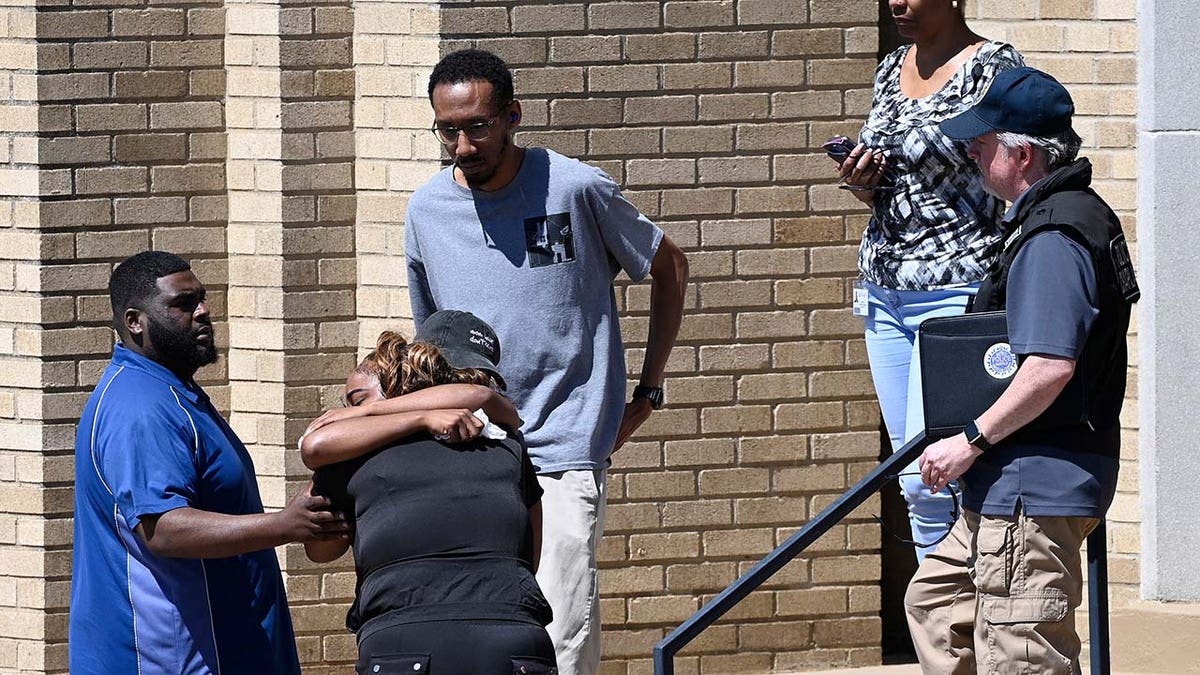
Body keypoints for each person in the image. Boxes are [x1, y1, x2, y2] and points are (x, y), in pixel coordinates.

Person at [399, 48, 689, 674]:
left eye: (477, 126)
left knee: (560, 624)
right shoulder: (426, 211)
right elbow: (433, 342)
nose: (463, 145)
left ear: (512, 117)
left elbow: (669, 267)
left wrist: (648, 391)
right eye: (447, 129)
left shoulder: (576, 187)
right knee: (500, 622)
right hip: (476, 445)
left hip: (565, 441)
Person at [906, 67, 1139, 672]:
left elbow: (1049, 368)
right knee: (937, 602)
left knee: (1022, 656)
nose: (972, 154)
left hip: (1032, 486)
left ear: (1024, 154)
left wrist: (970, 440)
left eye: (982, 144)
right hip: (1014, 482)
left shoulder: (1054, 236)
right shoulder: (1052, 220)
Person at [70, 251, 350, 674]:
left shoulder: (169, 393)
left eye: (201, 299)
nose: (202, 312)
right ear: (134, 321)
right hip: (170, 660)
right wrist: (284, 525)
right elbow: (162, 527)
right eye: (183, 305)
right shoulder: (140, 407)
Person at [835, 0, 1024, 557]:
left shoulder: (994, 66)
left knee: (937, 475)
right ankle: (939, 631)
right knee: (914, 482)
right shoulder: (893, 66)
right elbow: (901, 185)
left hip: (958, 292)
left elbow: (1018, 173)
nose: (898, 1)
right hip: (884, 292)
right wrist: (863, 182)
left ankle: (969, 620)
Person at [301, 311, 556, 674]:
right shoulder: (507, 445)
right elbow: (529, 557)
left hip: (402, 643)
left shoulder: (352, 452)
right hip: (515, 640)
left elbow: (320, 549)